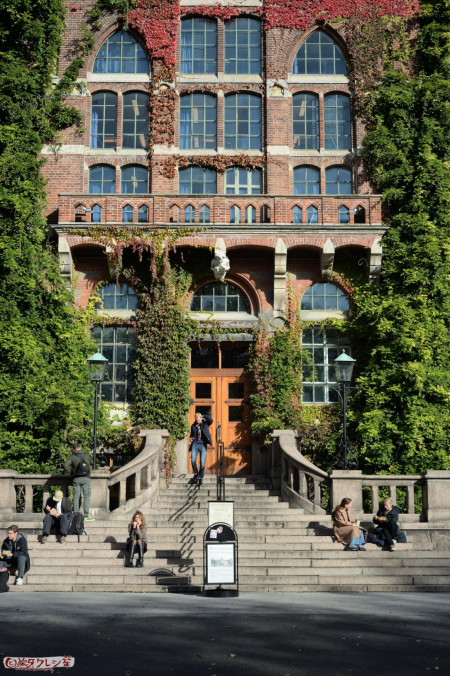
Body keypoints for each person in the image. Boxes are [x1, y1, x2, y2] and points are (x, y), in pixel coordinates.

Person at [64, 442, 95, 521]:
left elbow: (66, 466)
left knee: (76, 496)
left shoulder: (72, 457)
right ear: (80, 448)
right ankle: (86, 515)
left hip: (76, 478)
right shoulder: (86, 455)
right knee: (87, 496)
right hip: (86, 478)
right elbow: (93, 463)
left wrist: (70, 472)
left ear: (73, 449)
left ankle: (75, 514)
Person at [189, 412, 213, 487]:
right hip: (195, 444)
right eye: (196, 418)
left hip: (203, 445)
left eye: (198, 418)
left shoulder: (205, 424)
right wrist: (191, 438)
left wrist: (204, 415)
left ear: (201, 418)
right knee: (193, 460)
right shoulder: (193, 426)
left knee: (202, 463)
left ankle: (200, 478)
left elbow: (211, 420)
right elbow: (192, 435)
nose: (197, 420)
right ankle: (196, 473)